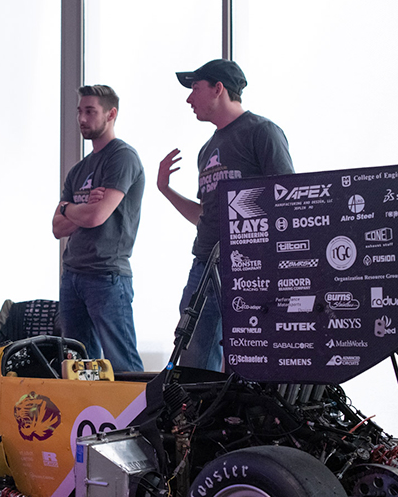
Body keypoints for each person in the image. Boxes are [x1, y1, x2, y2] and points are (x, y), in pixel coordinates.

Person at [158, 59, 294, 371]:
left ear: (218, 88)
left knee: (247, 357)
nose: (189, 99)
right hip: (205, 265)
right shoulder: (207, 150)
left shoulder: (262, 132)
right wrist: (165, 189)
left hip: (249, 265)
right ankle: (199, 419)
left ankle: (242, 419)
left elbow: (287, 199)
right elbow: (205, 216)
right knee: (193, 359)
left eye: (195, 88)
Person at [53, 84, 145, 374]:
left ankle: (140, 419)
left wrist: (70, 209)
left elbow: (96, 218)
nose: (82, 118)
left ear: (111, 114)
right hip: (73, 276)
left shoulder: (123, 158)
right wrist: (75, 210)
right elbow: (57, 227)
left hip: (107, 276)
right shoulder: (78, 170)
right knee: (79, 368)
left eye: (90, 111)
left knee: (123, 365)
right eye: (80, 111)